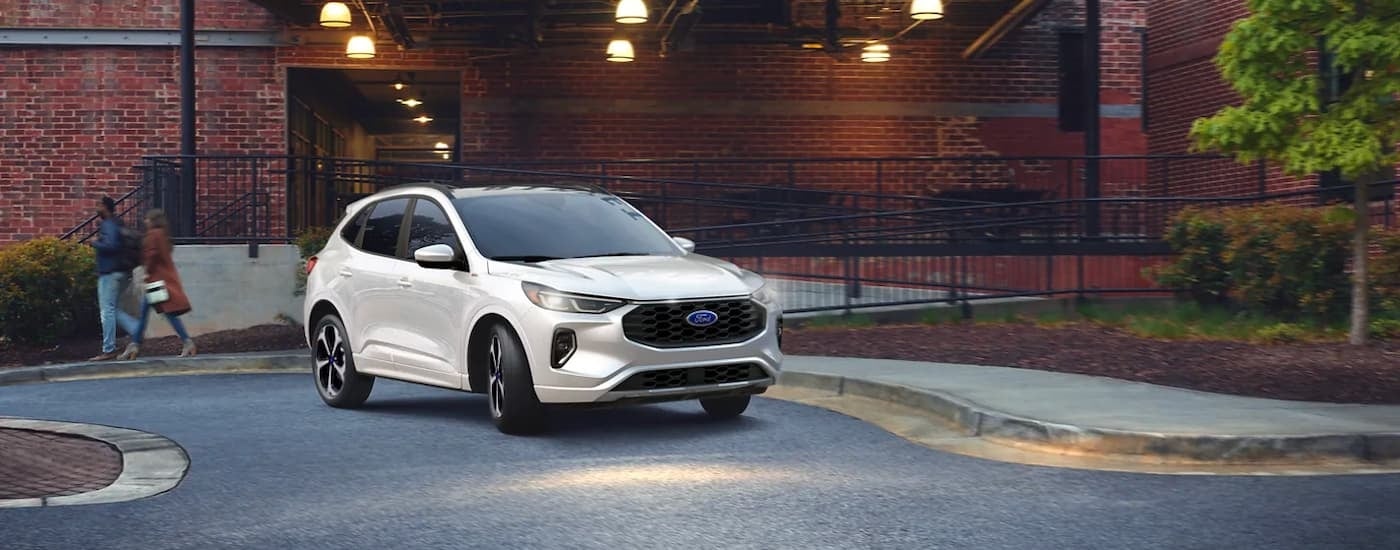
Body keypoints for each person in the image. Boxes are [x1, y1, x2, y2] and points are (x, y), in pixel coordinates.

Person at [117, 209, 196, 360]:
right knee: (150, 313)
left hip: (155, 281)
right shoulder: (163, 235)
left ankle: (186, 342)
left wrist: (147, 271)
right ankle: (134, 345)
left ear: (153, 220)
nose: (145, 221)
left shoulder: (153, 235)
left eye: (147, 219)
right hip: (161, 280)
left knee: (163, 314)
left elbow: (152, 255)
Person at [89, 196, 141, 361]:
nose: (96, 208)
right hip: (122, 272)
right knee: (112, 309)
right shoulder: (118, 223)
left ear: (105, 207)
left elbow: (112, 245)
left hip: (110, 273)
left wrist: (95, 242)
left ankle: (109, 348)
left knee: (107, 311)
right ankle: (137, 330)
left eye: (98, 205)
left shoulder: (108, 224)